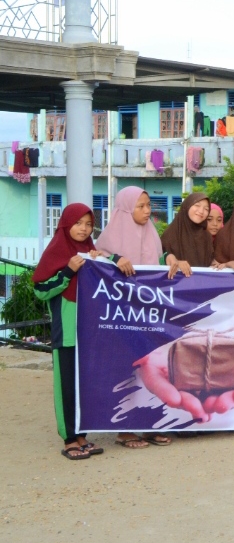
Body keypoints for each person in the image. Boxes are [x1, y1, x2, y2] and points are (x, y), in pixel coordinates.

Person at [94, 187, 174, 449]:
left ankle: (149, 425)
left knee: (150, 368)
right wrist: (115, 259)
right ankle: (125, 430)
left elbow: (159, 265)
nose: (147, 211)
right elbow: (96, 259)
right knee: (125, 370)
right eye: (140, 206)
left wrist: (172, 259)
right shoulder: (110, 236)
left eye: (149, 205)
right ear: (127, 208)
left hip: (147, 315)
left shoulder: (152, 235)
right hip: (121, 318)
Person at [33, 204, 103, 459]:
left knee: (83, 384)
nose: (83, 229)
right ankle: (69, 439)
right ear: (65, 225)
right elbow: (41, 290)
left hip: (88, 331)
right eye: (78, 223)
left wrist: (111, 259)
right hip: (67, 332)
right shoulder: (57, 251)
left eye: (88, 224)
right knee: (66, 385)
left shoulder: (91, 251)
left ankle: (82, 434)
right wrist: (68, 271)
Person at [160, 192, 215, 279]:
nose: (201, 211)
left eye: (206, 209)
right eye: (197, 205)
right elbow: (159, 261)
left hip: (201, 286)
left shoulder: (207, 236)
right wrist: (176, 263)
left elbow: (209, 263)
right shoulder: (170, 234)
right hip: (175, 286)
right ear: (187, 206)